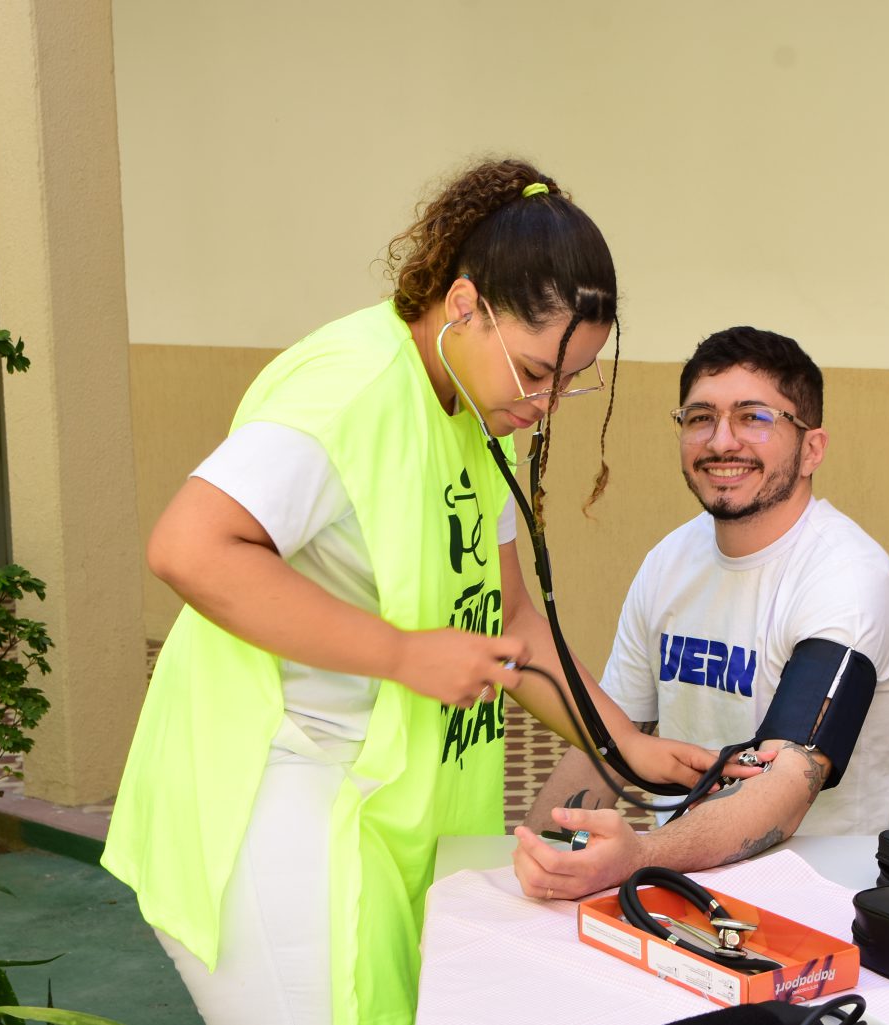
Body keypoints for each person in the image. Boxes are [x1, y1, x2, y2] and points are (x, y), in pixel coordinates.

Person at [101, 160, 756, 1025]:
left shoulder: (481, 414)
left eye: (571, 379)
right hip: (266, 795)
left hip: (378, 798)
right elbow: (189, 545)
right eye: (536, 370)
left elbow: (510, 618)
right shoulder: (350, 390)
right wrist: (403, 654)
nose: (548, 404)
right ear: (463, 306)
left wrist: (624, 742)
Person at [514, 326, 889, 901]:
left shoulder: (848, 581)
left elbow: (787, 783)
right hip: (679, 882)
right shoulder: (670, 559)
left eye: (755, 417)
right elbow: (611, 740)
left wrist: (639, 857)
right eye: (700, 418)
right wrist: (544, 856)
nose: (721, 441)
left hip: (820, 898)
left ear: (812, 448)